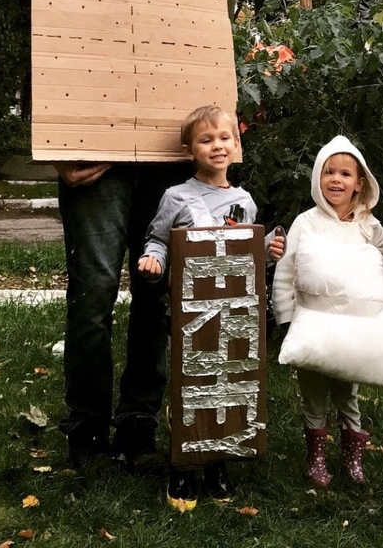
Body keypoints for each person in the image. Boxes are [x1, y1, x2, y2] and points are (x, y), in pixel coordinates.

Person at [55, 0, 192, 471]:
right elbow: (52, 56)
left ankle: (137, 420)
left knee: (153, 289)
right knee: (93, 293)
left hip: (163, 165)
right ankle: (86, 424)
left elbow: (193, 65)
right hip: (95, 162)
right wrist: (58, 152)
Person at [138, 105, 285, 510]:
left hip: (234, 310)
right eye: (206, 140)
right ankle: (184, 465)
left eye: (224, 138)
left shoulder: (245, 201)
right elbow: (159, 241)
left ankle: (218, 462)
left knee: (227, 383)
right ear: (190, 150)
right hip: (189, 312)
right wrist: (154, 262)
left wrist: (269, 251)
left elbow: (246, 257)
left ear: (237, 145)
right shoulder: (176, 196)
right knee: (192, 384)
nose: (217, 146)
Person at [271, 135, 383, 488]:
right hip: (312, 327)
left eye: (345, 174)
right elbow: (286, 272)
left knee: (348, 393)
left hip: (355, 332)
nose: (336, 179)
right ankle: (315, 458)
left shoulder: (369, 226)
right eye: (328, 171)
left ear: (360, 183)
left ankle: (352, 459)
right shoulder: (306, 223)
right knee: (313, 393)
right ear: (318, 177)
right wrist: (286, 318)